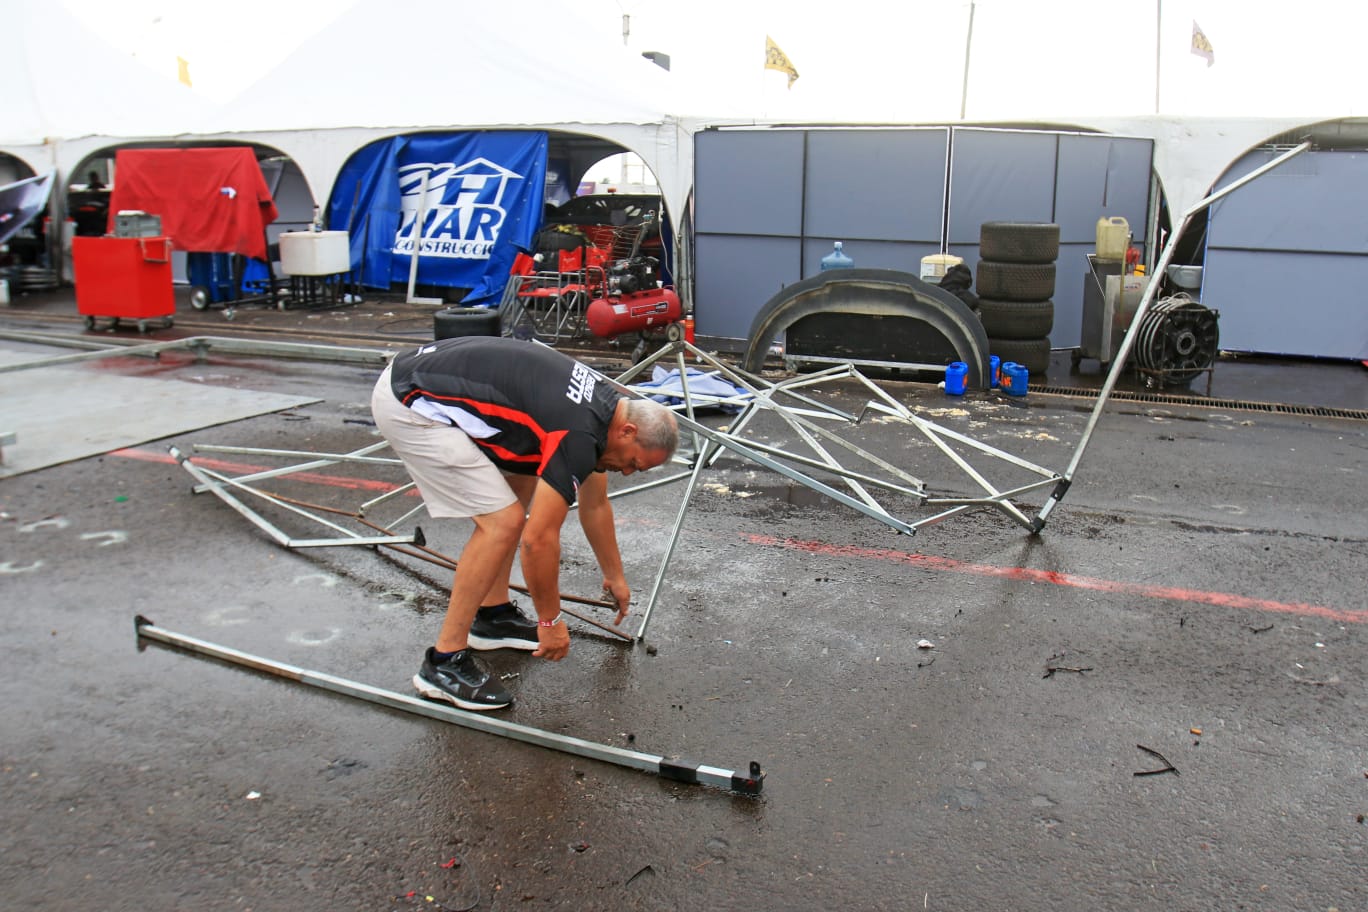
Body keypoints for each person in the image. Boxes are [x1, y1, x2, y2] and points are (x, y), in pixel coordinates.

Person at [370, 335, 679, 711]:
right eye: (633, 463)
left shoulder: (608, 410)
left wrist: (615, 575)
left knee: (524, 479)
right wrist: (550, 623)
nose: (628, 473)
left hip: (429, 377)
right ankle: (443, 662)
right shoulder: (581, 432)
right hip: (410, 404)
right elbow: (538, 541)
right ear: (628, 432)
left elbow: (594, 504)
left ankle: (493, 617)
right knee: (502, 522)